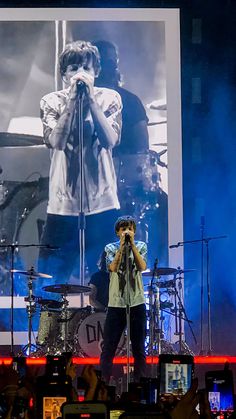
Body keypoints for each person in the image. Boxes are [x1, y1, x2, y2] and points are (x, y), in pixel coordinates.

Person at [36, 40, 122, 295]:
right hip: (63, 207)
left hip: (103, 205)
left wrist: (92, 103)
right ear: (64, 74)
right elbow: (57, 142)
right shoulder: (51, 101)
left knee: (111, 283)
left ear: (96, 71)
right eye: (73, 67)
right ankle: (49, 334)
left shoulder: (110, 98)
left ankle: (111, 333)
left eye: (86, 67)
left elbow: (110, 140)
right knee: (50, 283)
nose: (80, 73)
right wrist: (73, 101)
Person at [100, 215, 147, 383]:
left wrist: (132, 245)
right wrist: (121, 247)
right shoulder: (110, 248)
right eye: (123, 229)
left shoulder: (141, 246)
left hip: (136, 302)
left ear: (134, 231)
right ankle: (104, 383)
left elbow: (142, 266)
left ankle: (140, 385)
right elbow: (112, 267)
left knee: (139, 348)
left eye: (130, 229)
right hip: (116, 304)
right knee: (109, 348)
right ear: (117, 232)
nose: (127, 232)